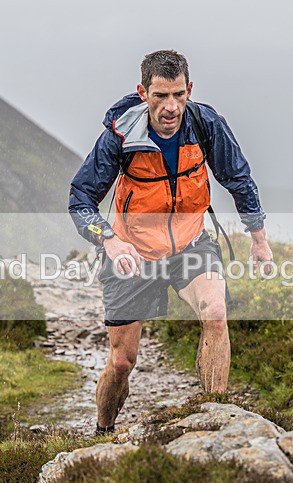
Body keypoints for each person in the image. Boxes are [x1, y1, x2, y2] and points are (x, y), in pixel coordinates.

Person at [68, 50, 272, 435]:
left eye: (178, 95)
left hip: (191, 244)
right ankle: (103, 431)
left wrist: (258, 239)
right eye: (160, 96)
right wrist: (108, 240)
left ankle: (217, 418)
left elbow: (239, 179)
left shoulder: (205, 123)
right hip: (131, 251)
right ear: (142, 92)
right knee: (122, 362)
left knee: (214, 311)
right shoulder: (120, 135)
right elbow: (80, 200)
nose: (170, 107)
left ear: (189, 90)